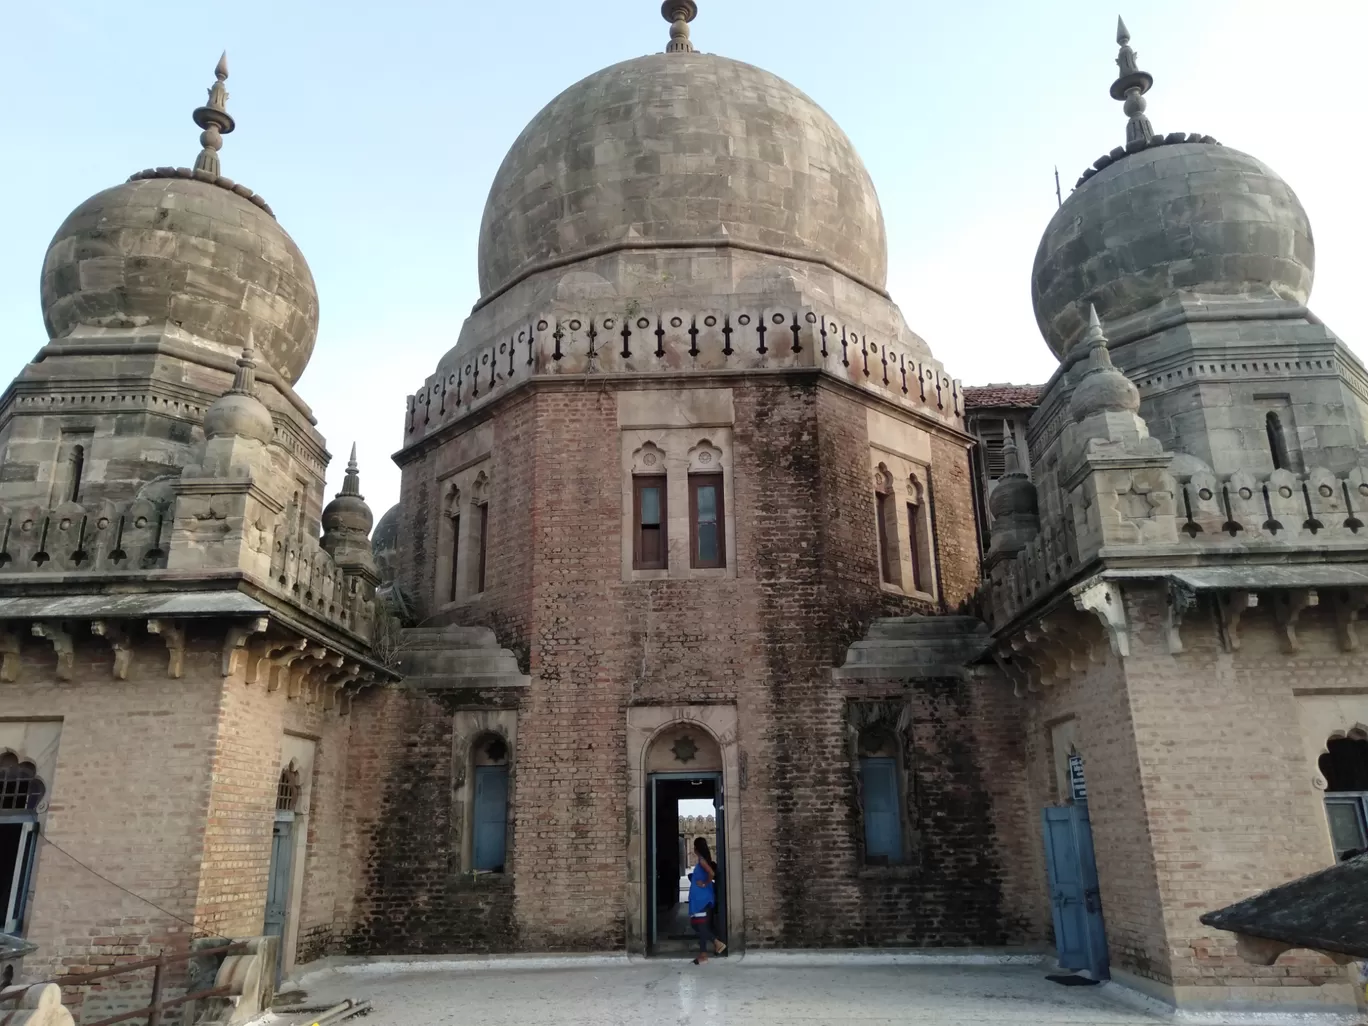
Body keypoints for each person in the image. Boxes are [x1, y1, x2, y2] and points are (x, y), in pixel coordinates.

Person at [688, 836, 725, 964]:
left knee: (700, 926)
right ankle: (708, 950)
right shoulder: (701, 860)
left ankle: (712, 946)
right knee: (697, 924)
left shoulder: (702, 860)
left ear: (697, 848)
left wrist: (704, 883)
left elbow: (711, 873)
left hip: (702, 899)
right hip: (699, 898)